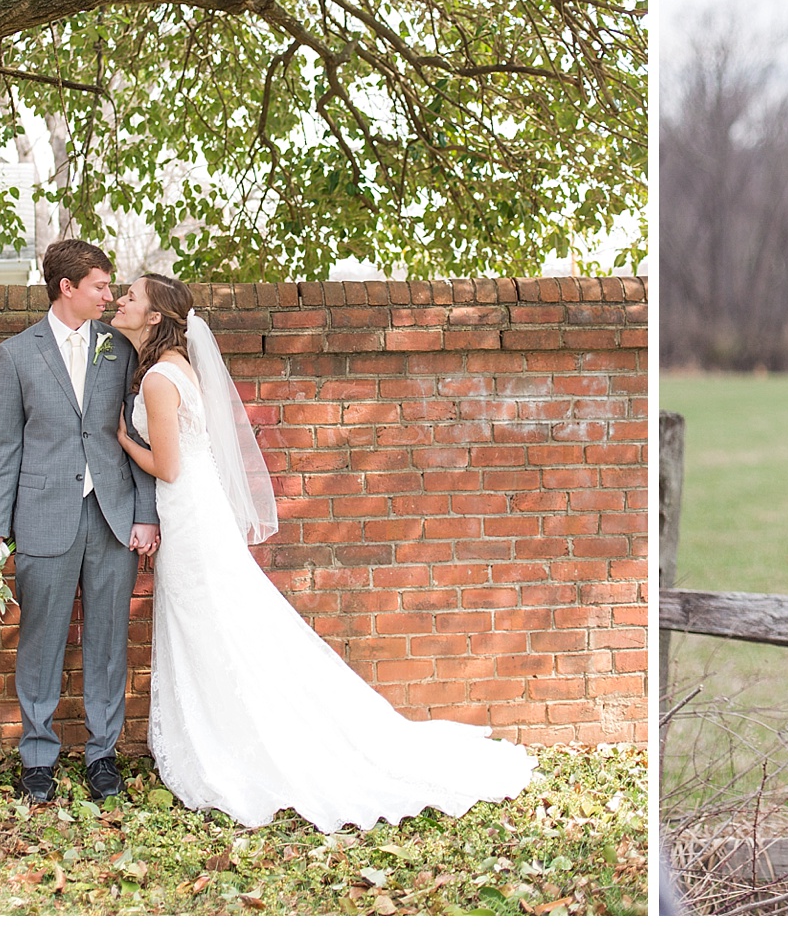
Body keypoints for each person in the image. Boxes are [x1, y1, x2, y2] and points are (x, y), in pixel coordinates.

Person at [110, 273, 535, 832]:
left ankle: (233, 746)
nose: (121, 301)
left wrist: (120, 437)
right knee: (219, 625)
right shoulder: (175, 371)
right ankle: (232, 730)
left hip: (188, 512)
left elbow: (168, 465)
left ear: (157, 316)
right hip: (195, 510)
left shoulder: (160, 381)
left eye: (132, 296)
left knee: (209, 625)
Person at [0, 239, 160, 805]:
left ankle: (102, 756)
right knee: (42, 640)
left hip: (112, 516)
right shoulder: (17, 354)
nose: (110, 296)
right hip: (42, 516)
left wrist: (146, 514)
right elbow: (4, 448)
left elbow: (140, 434)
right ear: (68, 288)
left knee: (109, 640)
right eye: (101, 286)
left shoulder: (119, 349)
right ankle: (38, 757)